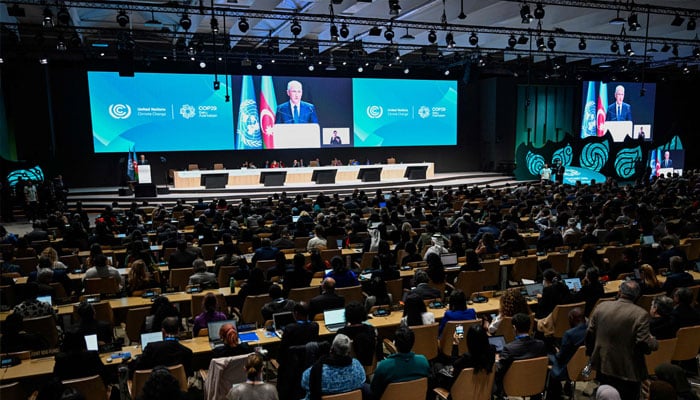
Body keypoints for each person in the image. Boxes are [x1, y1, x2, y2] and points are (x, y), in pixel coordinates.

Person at [586, 280, 657, 400]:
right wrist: (654, 342)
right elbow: (643, 343)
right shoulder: (641, 314)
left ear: (619, 292)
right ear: (637, 296)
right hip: (628, 368)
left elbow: (589, 333)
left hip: (603, 363)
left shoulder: (601, 307)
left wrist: (591, 354)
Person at [495, 313, 547, 397]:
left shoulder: (509, 348)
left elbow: (499, 371)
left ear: (514, 328)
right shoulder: (540, 344)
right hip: (535, 383)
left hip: (513, 386)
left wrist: (496, 361)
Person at [370, 326, 430, 399]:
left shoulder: (384, 366)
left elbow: (374, 390)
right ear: (413, 343)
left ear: (395, 344)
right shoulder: (423, 361)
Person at [300, 334, 366, 400]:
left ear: (331, 349)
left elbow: (304, 383)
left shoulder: (314, 372)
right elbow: (363, 381)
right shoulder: (357, 367)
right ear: (349, 352)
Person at [549, 308, 587, 398]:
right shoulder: (591, 329)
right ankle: (567, 387)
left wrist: (557, 352)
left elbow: (561, 357)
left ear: (571, 318)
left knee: (547, 358)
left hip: (569, 370)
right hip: (587, 369)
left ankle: (554, 395)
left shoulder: (569, 334)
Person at [337, 301, 379, 367]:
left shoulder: (341, 333)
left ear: (347, 316)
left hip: (348, 367)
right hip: (369, 366)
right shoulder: (371, 329)